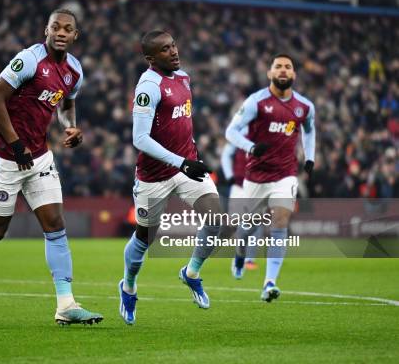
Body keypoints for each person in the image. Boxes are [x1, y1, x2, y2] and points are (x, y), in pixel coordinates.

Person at [0, 9, 103, 325]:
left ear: (75, 35)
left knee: (55, 225)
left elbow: (66, 102)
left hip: (38, 156)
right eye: (56, 26)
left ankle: (66, 304)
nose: (61, 32)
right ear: (47, 29)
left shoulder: (74, 71)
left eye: (68, 29)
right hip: (4, 156)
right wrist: (16, 144)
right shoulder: (28, 60)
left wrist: (70, 126)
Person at [118, 30, 224, 325]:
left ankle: (191, 273)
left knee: (216, 220)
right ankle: (128, 285)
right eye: (165, 49)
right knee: (145, 237)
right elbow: (139, 138)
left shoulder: (184, 77)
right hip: (155, 175)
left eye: (174, 45)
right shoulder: (148, 86)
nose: (174, 51)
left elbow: (180, 122)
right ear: (151, 58)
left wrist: (190, 157)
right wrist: (181, 161)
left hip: (188, 165)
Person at [225, 53, 315, 302]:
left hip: (285, 174)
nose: (283, 70)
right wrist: (251, 148)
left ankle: (269, 283)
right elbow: (231, 132)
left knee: (279, 222)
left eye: (288, 67)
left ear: (294, 74)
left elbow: (310, 131)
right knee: (248, 228)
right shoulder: (256, 102)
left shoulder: (305, 106)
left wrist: (310, 157)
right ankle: (240, 258)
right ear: (270, 74)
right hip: (256, 176)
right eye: (278, 67)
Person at [220, 134, 263, 275]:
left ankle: (249, 259)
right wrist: (229, 176)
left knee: (256, 223)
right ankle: (240, 256)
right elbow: (226, 154)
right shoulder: (239, 133)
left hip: (256, 186)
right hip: (239, 186)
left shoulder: (264, 134)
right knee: (235, 224)